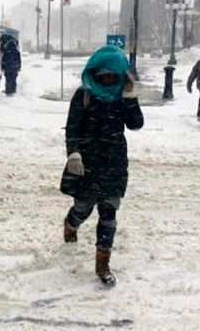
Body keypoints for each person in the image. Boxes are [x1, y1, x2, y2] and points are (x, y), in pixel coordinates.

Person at [61, 46, 144, 287]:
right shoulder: (83, 95)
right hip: (87, 162)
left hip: (114, 162)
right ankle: (70, 224)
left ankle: (102, 264)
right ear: (95, 72)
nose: (108, 78)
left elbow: (136, 124)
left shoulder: (122, 96)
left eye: (113, 75)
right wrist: (73, 154)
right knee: (83, 208)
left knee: (109, 213)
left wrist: (129, 95)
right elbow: (73, 128)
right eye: (104, 74)